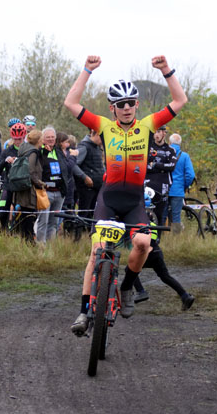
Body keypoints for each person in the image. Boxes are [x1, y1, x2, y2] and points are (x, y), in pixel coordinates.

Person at [63, 54, 188, 335]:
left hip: (134, 201)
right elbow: (71, 103)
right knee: (96, 253)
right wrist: (86, 71)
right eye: (121, 104)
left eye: (131, 103)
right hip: (108, 200)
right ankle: (84, 312)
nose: (127, 108)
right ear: (113, 108)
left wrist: (166, 70)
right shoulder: (104, 127)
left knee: (144, 243)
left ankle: (128, 287)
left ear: (137, 105)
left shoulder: (148, 126)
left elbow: (180, 101)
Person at [132, 224, 195, 309]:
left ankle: (140, 291)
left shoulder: (136, 221)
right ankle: (185, 296)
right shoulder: (153, 223)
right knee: (165, 276)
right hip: (157, 251)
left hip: (146, 252)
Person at [33, 126, 69, 242]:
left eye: (52, 137)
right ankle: (41, 247)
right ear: (43, 139)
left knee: (54, 223)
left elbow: (66, 167)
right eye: (48, 137)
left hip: (59, 192)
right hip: (46, 192)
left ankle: (51, 248)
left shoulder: (59, 151)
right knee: (43, 221)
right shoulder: (39, 152)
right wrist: (43, 151)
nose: (50, 139)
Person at [13, 129, 45, 242]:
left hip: (22, 189)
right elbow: (31, 171)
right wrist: (40, 183)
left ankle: (26, 242)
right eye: (42, 138)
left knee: (25, 218)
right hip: (29, 190)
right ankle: (29, 243)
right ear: (38, 140)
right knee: (29, 218)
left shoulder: (24, 150)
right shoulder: (33, 153)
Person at [144, 125, 177, 226]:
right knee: (147, 213)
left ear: (164, 133)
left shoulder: (170, 150)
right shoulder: (147, 148)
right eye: (155, 132)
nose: (156, 135)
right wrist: (161, 167)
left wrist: (155, 165)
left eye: (159, 132)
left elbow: (171, 166)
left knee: (160, 214)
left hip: (163, 185)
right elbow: (144, 166)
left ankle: (157, 239)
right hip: (148, 184)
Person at [0, 123, 26, 228]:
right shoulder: (7, 151)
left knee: (23, 214)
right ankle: (2, 234)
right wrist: (5, 161)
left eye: (20, 139)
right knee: (3, 211)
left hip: (23, 187)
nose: (17, 141)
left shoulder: (28, 150)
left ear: (24, 137)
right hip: (8, 185)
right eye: (15, 139)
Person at [167, 133, 195, 233]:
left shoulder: (166, 153)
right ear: (180, 143)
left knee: (161, 216)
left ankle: (158, 239)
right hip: (178, 191)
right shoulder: (184, 156)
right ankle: (176, 240)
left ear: (169, 143)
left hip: (164, 189)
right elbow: (190, 175)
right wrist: (185, 185)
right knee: (176, 217)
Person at [57, 131, 91, 212]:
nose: (68, 144)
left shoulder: (66, 152)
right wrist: (73, 157)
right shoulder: (66, 154)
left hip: (70, 187)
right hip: (66, 187)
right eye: (66, 142)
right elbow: (70, 166)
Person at [75, 129, 104, 218]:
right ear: (96, 134)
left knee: (92, 212)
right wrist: (85, 177)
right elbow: (74, 165)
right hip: (87, 187)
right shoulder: (83, 147)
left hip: (97, 185)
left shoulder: (97, 147)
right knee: (84, 212)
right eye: (102, 138)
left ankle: (88, 231)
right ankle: (78, 231)